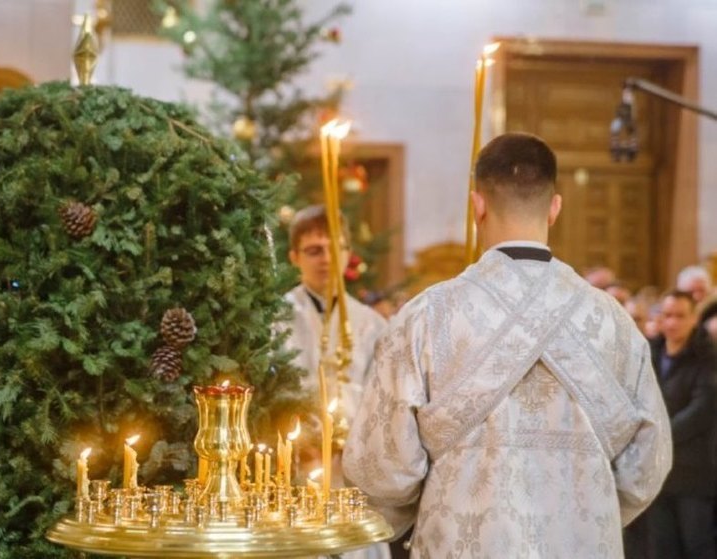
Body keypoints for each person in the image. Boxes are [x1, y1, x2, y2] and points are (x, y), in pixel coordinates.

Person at [342, 132, 672, 558]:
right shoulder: (613, 322)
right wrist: (588, 512)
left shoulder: (427, 318)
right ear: (555, 208)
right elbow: (648, 463)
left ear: (477, 204)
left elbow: (384, 469)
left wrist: (422, 505)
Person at [282, 204, 390, 559]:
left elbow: (383, 399)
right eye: (314, 250)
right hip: (295, 469)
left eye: (334, 248)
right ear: (294, 256)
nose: (326, 259)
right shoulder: (277, 319)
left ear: (348, 253)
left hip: (351, 471)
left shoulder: (371, 325)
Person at [645, 290, 717, 559]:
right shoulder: (650, 353)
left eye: (680, 316)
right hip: (657, 470)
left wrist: (659, 433)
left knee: (697, 545)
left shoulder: (707, 357)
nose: (672, 323)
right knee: (662, 547)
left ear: (694, 319)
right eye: (667, 315)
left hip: (695, 471)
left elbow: (702, 409)